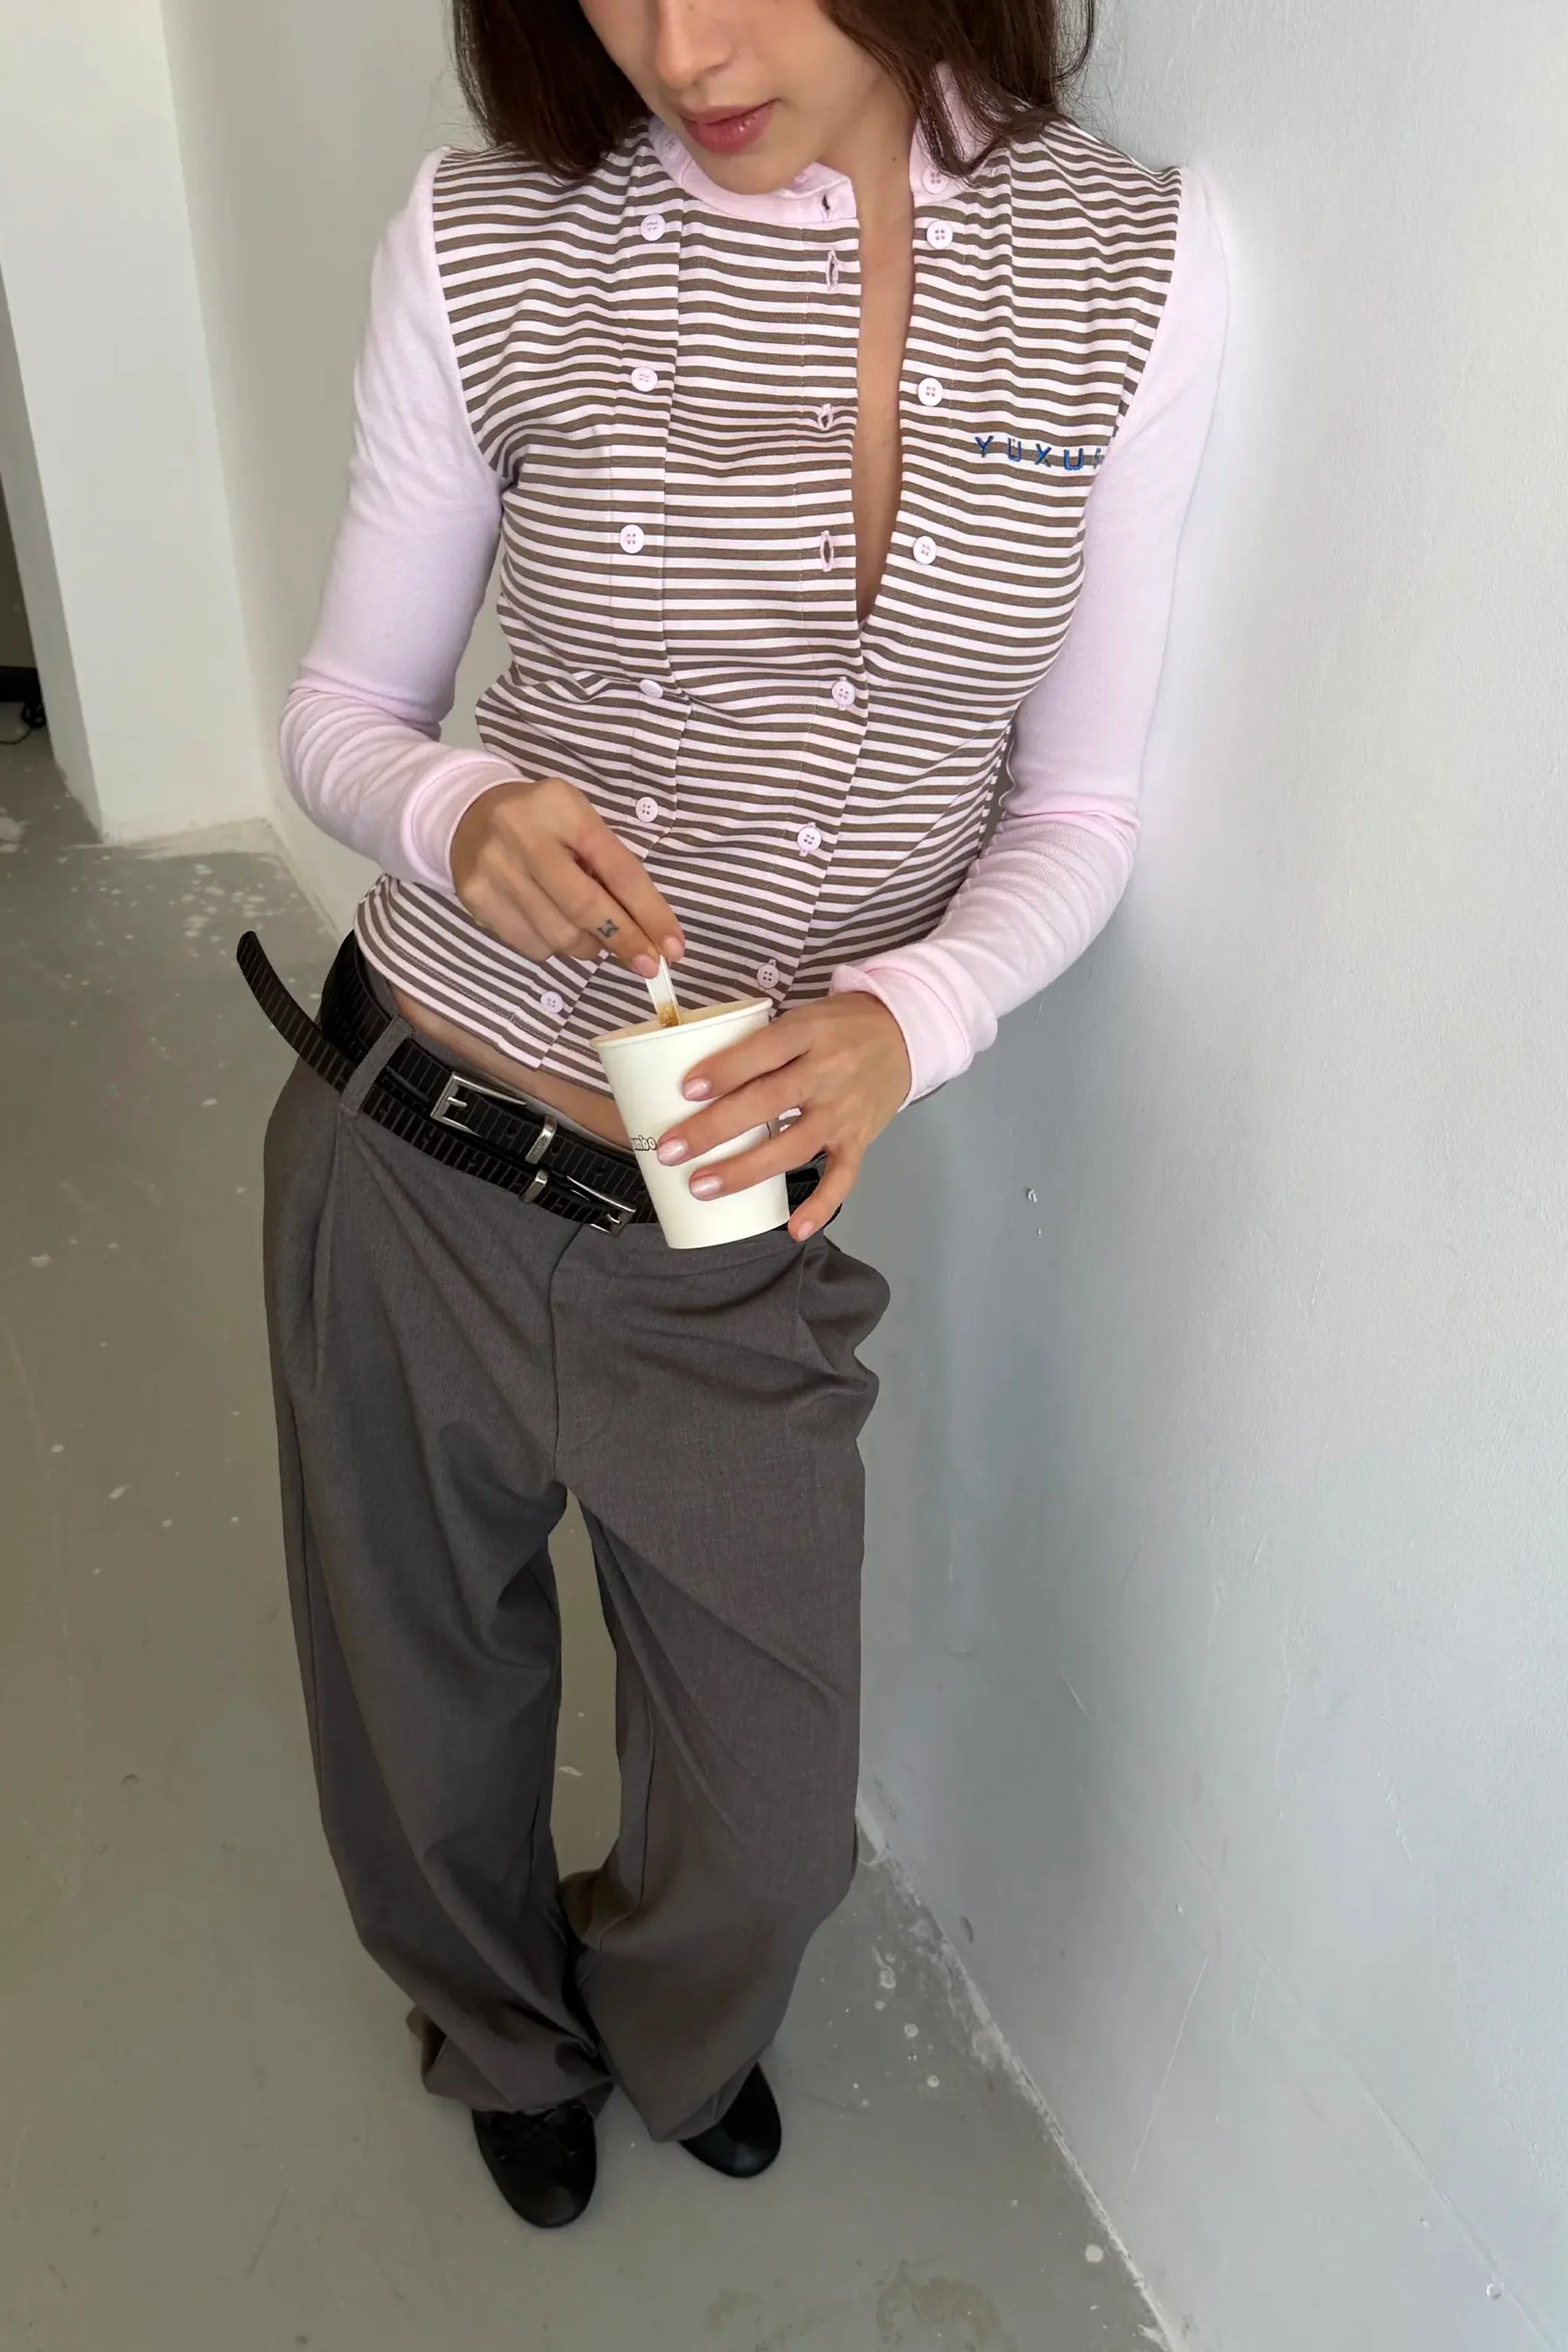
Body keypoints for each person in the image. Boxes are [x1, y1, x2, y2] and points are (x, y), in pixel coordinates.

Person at [246, 0, 1226, 2231]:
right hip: (412, 1144)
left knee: (773, 1810)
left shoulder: (1127, 269)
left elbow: (1078, 805)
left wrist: (910, 1014)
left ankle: (667, 2018)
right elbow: (341, 709)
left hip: (727, 1217)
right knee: (418, 1702)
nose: (680, 41)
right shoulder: (494, 236)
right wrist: (457, 807)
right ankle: (498, 2036)